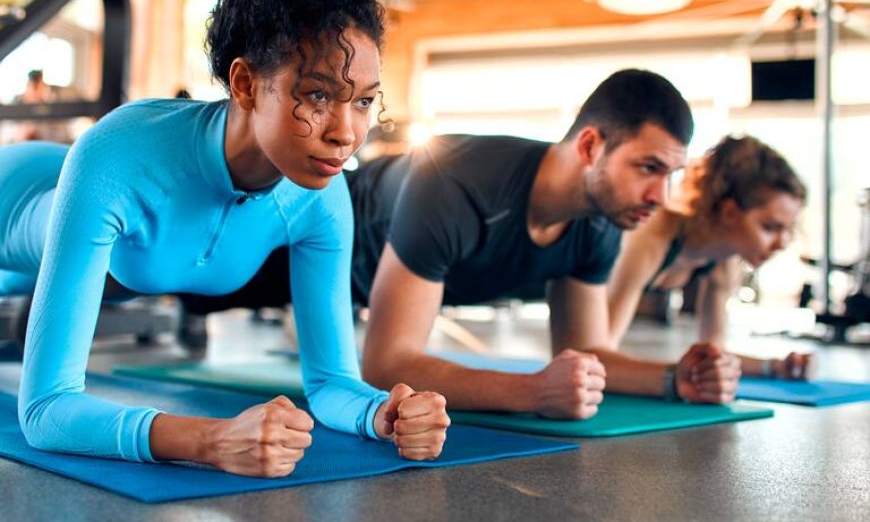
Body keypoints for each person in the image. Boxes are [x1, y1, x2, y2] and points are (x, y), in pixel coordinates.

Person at [0, 0, 449, 477]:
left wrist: (383, 413)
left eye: (363, 101)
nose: (346, 132)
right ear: (243, 84)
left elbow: (334, 382)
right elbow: (45, 410)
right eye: (316, 94)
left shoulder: (321, 200)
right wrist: (210, 441)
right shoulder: (119, 155)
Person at [186, 68, 696, 419]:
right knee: (171, 279)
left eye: (671, 174)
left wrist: (679, 378)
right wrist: (531, 391)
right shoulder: (458, 181)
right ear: (590, 146)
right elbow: (386, 364)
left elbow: (585, 352)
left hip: (353, 285)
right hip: (289, 235)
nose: (660, 196)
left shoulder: (601, 222)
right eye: (648, 169)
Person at [592, 135, 813, 402]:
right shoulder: (650, 238)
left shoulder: (723, 260)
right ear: (730, 212)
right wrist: (677, 379)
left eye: (788, 230)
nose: (782, 243)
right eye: (770, 228)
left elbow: (715, 353)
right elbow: (597, 357)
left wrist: (776, 366)